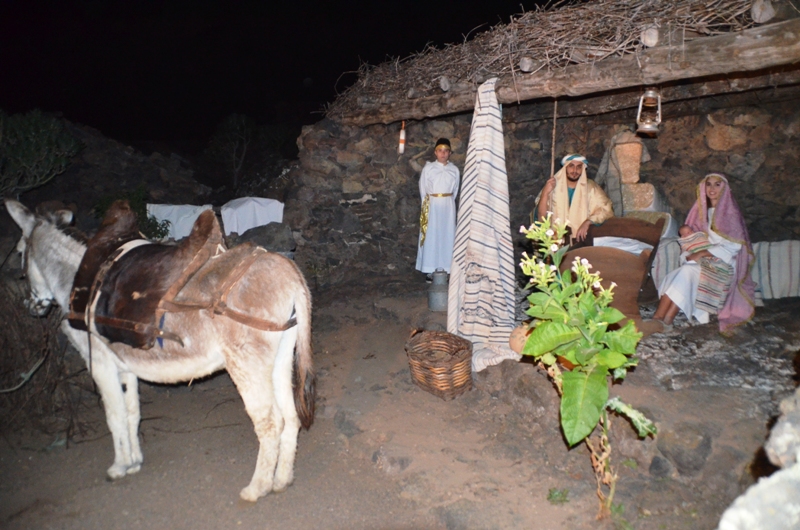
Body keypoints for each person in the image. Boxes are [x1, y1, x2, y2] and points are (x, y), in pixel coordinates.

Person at [652, 173, 755, 334]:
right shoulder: (700, 213)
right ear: (703, 187)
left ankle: (663, 318)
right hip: (702, 260)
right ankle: (661, 319)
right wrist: (689, 254)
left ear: (725, 189)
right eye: (709, 184)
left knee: (686, 273)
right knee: (683, 272)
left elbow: (734, 246)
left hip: (724, 261)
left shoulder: (731, 213)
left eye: (717, 184)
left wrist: (703, 253)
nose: (712, 188)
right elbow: (690, 240)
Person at [532, 154, 614, 242]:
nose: (575, 170)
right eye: (571, 166)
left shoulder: (591, 187)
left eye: (579, 167)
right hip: (555, 242)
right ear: (565, 167)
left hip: (580, 241)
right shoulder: (552, 186)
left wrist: (588, 222)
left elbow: (606, 209)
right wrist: (545, 192)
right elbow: (541, 218)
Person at [416, 138, 460, 279]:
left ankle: (447, 268)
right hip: (432, 204)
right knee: (432, 235)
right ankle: (430, 269)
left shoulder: (454, 170)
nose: (443, 154)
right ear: (435, 152)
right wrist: (427, 206)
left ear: (450, 153)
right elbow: (423, 189)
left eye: (446, 151)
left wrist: (448, 203)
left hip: (448, 206)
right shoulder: (428, 169)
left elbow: (456, 189)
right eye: (440, 151)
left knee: (447, 235)